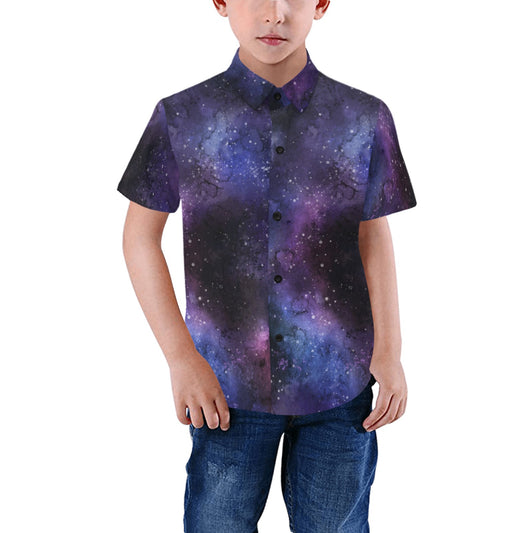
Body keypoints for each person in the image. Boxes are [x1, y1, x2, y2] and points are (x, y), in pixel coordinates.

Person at [117, 0, 417, 531]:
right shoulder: (182, 116)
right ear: (220, 2)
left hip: (341, 384)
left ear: (321, 4)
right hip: (224, 390)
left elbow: (372, 235)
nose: (275, 13)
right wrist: (182, 359)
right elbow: (140, 238)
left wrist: (389, 351)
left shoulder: (363, 118)